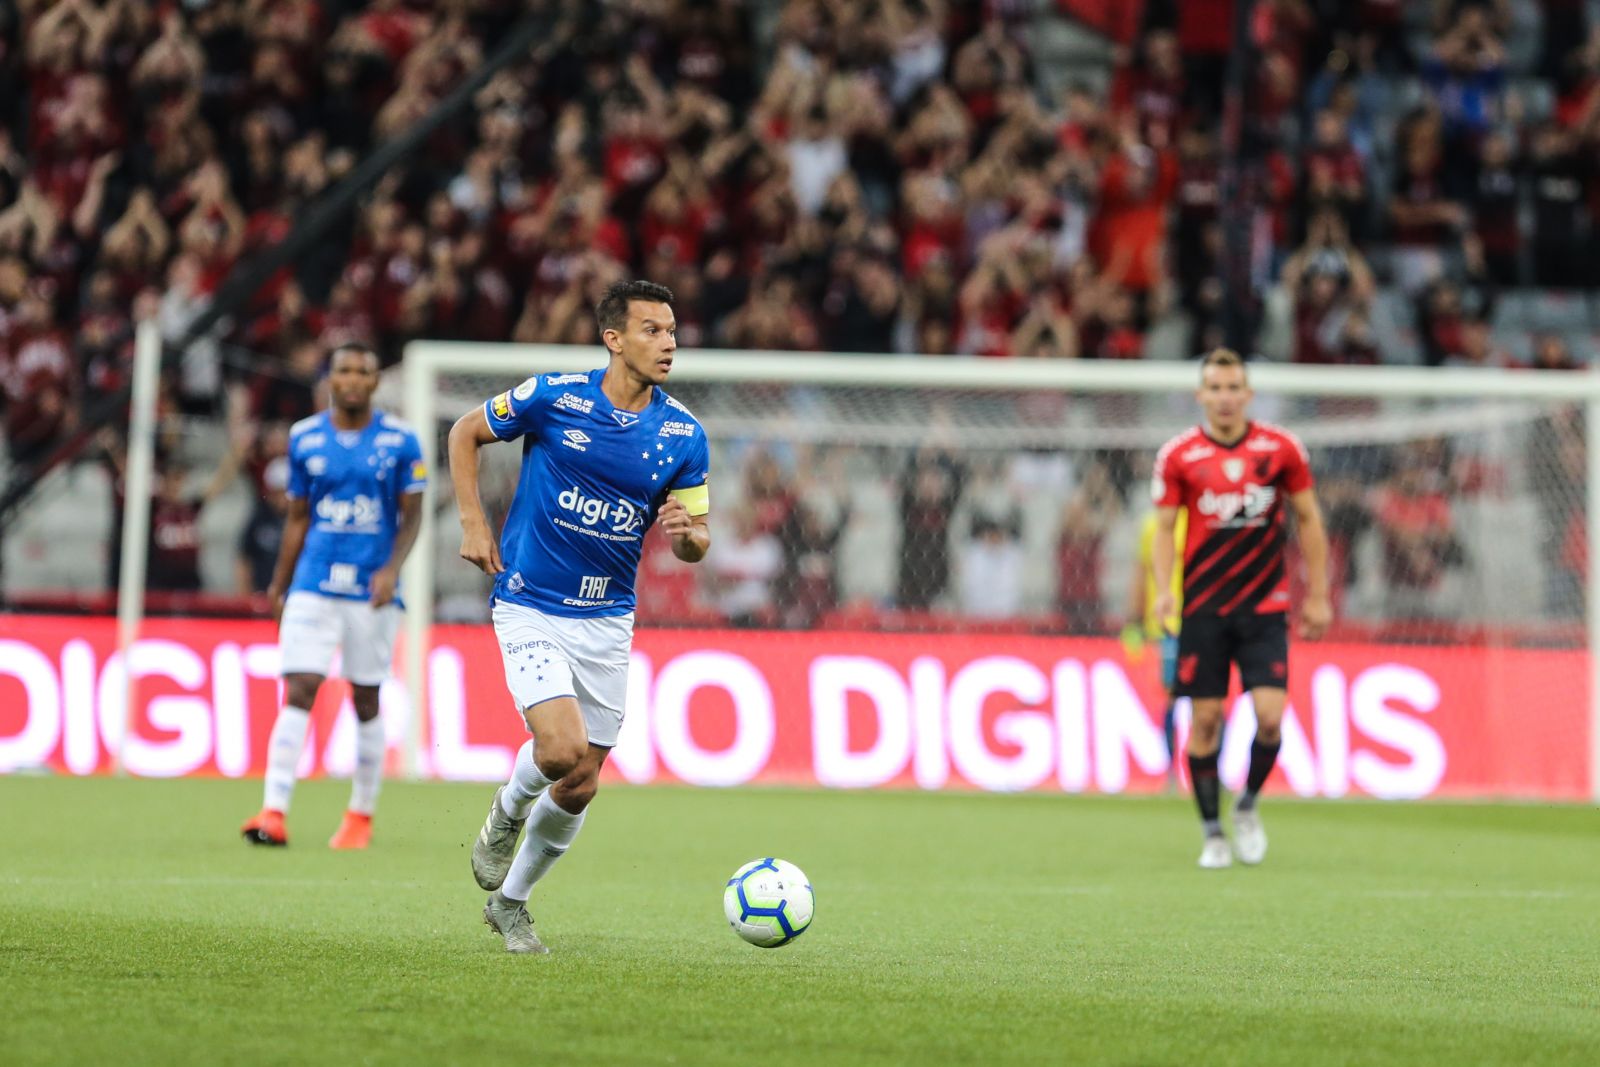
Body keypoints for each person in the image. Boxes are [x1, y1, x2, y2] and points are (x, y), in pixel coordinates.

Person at [449, 279, 711, 954]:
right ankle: (504, 815)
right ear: (614, 338)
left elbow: (697, 539)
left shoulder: (683, 434)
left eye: (674, 330)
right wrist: (474, 521)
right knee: (559, 748)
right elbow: (464, 432)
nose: (669, 343)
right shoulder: (553, 396)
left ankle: (511, 904)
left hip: (608, 619)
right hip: (531, 601)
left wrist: (685, 534)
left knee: (582, 781)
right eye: (652, 330)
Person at [240, 343, 426, 850]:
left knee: (364, 697)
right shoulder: (304, 437)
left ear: (373, 382)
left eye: (361, 371)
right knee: (299, 688)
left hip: (372, 589)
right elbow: (298, 517)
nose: (350, 379)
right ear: (329, 379)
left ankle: (359, 817)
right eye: (342, 370)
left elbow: (413, 515)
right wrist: (280, 585)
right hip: (314, 581)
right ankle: (273, 810)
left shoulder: (401, 440)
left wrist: (392, 569)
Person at [1150, 349, 1331, 869]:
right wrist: (1165, 590)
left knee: (1270, 718)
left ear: (1248, 395)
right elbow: (1165, 528)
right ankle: (1213, 832)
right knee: (1206, 721)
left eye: (1233, 388)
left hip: (1264, 606)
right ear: (1201, 395)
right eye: (1215, 387)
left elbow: (1309, 520)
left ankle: (1247, 803)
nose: (1225, 397)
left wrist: (1317, 593)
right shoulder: (1179, 456)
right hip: (1204, 609)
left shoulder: (1281, 450)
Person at [1122, 506, 1188, 789]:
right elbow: (1141, 571)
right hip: (1165, 626)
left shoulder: (1202, 521)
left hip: (1205, 621)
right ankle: (1172, 770)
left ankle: (1211, 771)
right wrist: (1134, 620)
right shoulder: (1154, 524)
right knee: (1172, 698)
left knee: (1209, 701)